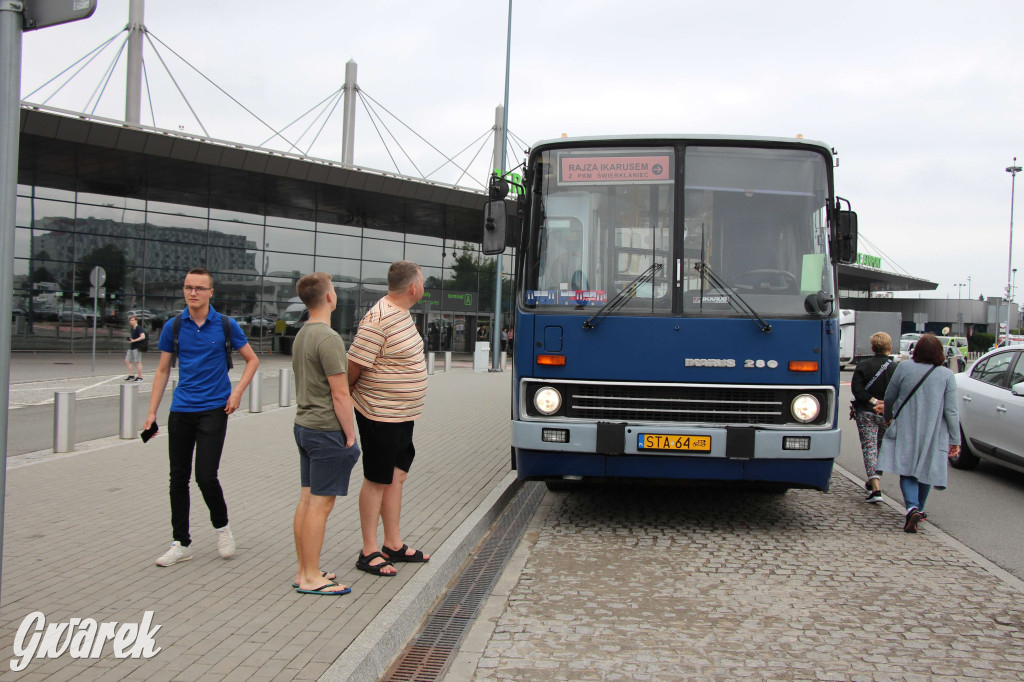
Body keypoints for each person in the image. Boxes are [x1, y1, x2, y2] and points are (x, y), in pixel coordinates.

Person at [145, 268, 260, 566]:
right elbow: (162, 371)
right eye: (187, 287)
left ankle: (222, 529)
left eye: (199, 288)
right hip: (181, 411)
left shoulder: (225, 325)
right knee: (177, 479)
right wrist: (151, 413)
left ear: (211, 292)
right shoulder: (173, 327)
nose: (192, 292)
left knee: (206, 476)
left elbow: (252, 360)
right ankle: (180, 543)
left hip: (213, 410)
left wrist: (236, 394)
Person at [348, 260, 430, 576]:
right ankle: (369, 551)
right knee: (377, 479)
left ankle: (392, 544)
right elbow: (353, 366)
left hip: (401, 414)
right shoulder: (378, 320)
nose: (423, 286)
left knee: (396, 476)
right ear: (413, 287)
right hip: (379, 415)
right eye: (422, 281)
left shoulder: (402, 314)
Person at [290, 272, 360, 595]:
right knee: (321, 505)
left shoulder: (302, 334)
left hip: (304, 426)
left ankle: (305, 570)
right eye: (334, 290)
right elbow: (340, 394)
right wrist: (350, 435)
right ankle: (311, 577)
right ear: (329, 298)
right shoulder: (329, 338)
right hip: (325, 430)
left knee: (307, 500)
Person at [877, 333, 960, 533]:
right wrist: (955, 439)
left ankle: (912, 507)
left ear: (917, 351)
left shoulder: (904, 368)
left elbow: (889, 396)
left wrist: (888, 416)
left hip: (906, 426)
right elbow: (951, 410)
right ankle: (918, 509)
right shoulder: (946, 375)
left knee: (907, 469)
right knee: (926, 470)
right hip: (933, 431)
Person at [850, 331, 897, 502]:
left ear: (872, 348)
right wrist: (886, 405)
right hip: (887, 414)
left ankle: (875, 487)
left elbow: (856, 389)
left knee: (869, 448)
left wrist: (873, 401)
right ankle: (875, 479)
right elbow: (900, 392)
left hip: (866, 412)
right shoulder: (896, 368)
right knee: (881, 449)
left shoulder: (863, 365)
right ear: (890, 348)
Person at [124, 315, 146, 382]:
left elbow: (143, 336)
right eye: (130, 320)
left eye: (132, 320)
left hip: (137, 347)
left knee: (137, 362)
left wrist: (134, 340)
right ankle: (131, 375)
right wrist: (131, 340)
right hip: (132, 347)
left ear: (136, 321)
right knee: (127, 360)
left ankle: (140, 377)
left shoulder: (139, 328)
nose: (131, 321)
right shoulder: (132, 329)